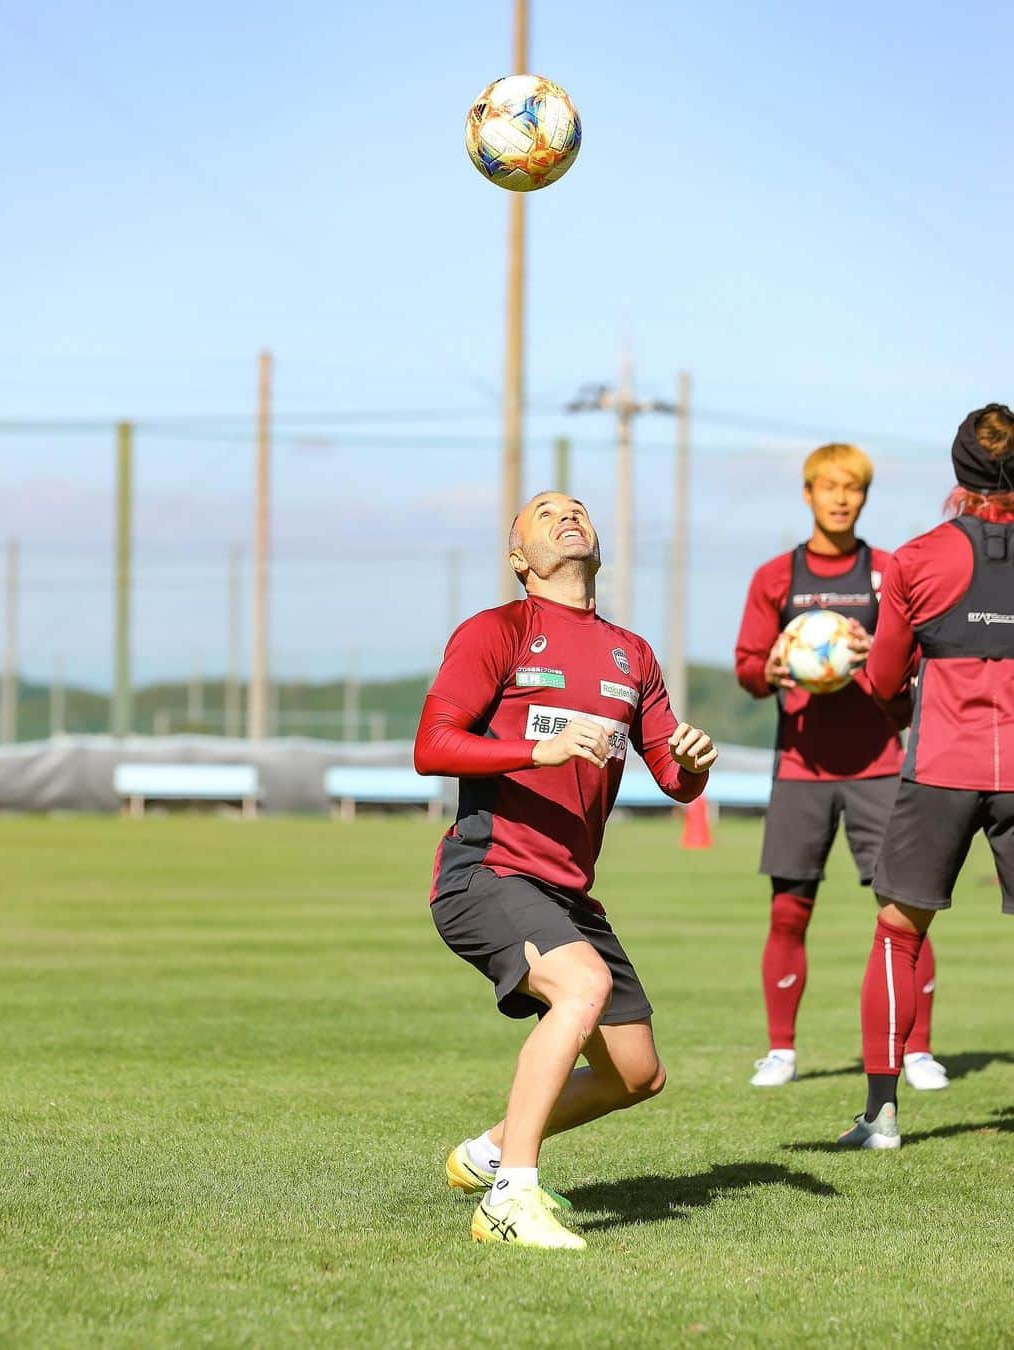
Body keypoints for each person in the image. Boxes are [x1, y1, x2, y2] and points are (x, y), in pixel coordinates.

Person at [413, 491, 718, 1250]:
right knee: (582, 987)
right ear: (520, 558)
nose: (566, 516)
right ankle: (511, 1198)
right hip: (488, 871)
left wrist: (693, 769)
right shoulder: (497, 632)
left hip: (568, 889)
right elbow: (433, 746)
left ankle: (484, 1154)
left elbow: (670, 778)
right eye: (543, 513)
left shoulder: (632, 655)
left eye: (576, 508)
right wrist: (534, 748)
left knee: (637, 1073)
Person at [735, 443, 945, 1090]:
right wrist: (768, 669)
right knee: (788, 911)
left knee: (903, 909)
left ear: (864, 497)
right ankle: (782, 1051)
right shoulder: (775, 576)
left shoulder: (890, 572)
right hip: (802, 768)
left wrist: (879, 647)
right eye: (828, 486)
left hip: (881, 766)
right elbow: (746, 667)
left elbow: (919, 660)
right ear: (807, 494)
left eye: (852, 487)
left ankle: (917, 1050)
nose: (840, 497)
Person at [838, 405, 1014, 1147]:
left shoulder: (914, 560)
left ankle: (880, 1116)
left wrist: (874, 668)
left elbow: (881, 683)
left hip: (942, 764)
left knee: (897, 932)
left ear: (957, 471)